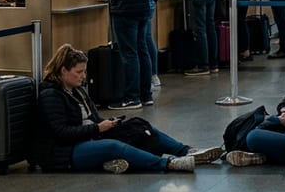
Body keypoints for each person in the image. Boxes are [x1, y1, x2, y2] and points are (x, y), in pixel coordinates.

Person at [33, 44, 219, 173]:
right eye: (79, 72)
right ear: (63, 71)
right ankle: (167, 163)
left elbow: (93, 118)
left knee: (139, 126)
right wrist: (97, 128)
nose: (83, 77)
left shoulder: (77, 91)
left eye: (84, 72)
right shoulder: (51, 95)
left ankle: (185, 150)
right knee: (113, 146)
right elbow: (60, 132)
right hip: (64, 153)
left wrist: (110, 124)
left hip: (88, 137)